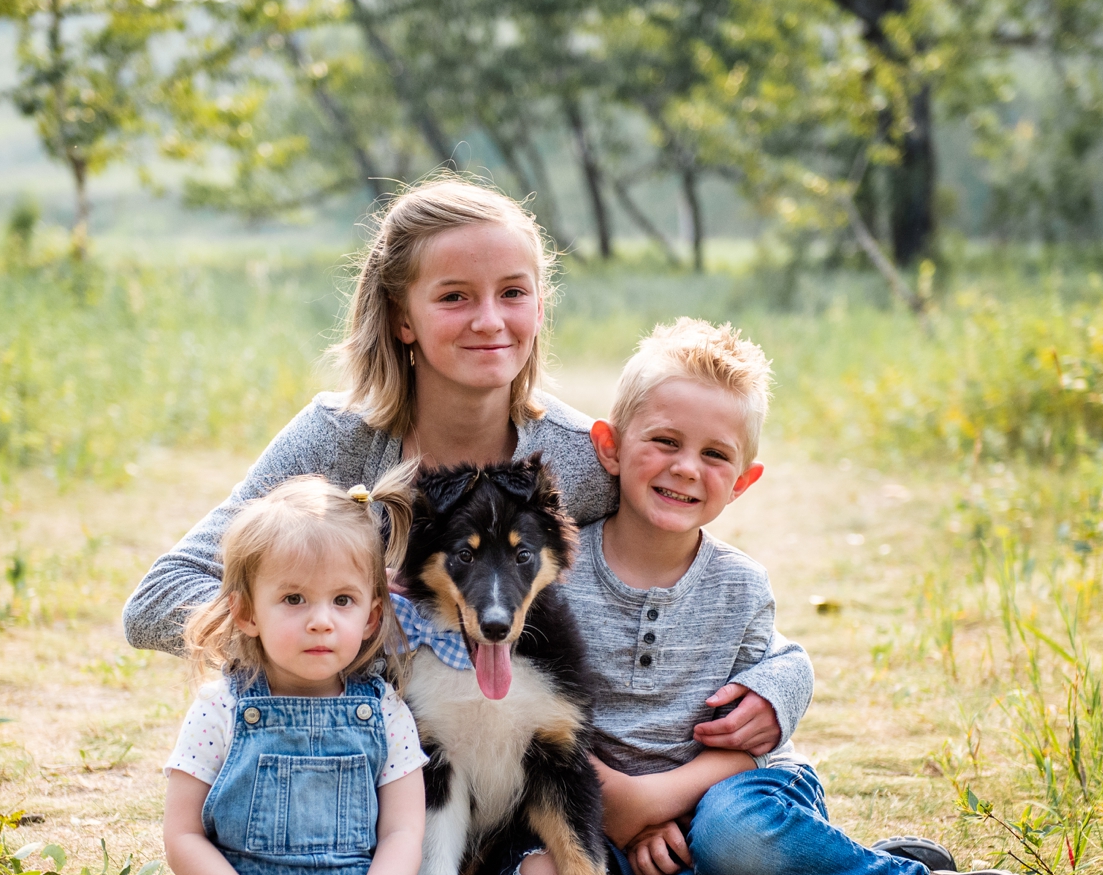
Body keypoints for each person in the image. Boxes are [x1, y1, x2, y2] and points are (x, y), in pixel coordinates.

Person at [121, 175, 789, 760]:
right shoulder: (336, 442)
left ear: (538, 305)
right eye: (454, 297)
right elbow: (155, 601)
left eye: (512, 293)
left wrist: (780, 684)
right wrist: (342, 617)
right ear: (402, 318)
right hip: (341, 762)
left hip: (502, 781)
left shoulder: (580, 461)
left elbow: (694, 582)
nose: (489, 321)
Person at [469, 318, 1042, 875]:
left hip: (733, 800)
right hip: (610, 816)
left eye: (715, 454)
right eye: (664, 441)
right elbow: (522, 709)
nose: (686, 468)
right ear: (609, 447)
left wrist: (653, 799)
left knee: (731, 834)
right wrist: (618, 814)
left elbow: (764, 709)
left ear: (743, 480)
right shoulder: (551, 576)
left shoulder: (740, 585)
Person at [57, 471, 558, 875]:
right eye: (294, 600)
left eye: (342, 601)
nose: (321, 620)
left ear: (373, 617)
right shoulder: (220, 709)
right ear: (245, 613)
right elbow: (183, 836)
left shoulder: (389, 713)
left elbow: (403, 833)